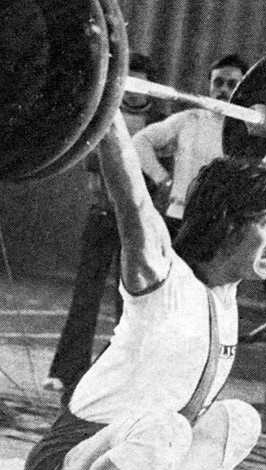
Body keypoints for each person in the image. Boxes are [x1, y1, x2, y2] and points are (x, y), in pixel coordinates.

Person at [21, 103, 266, 470]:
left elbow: (265, 190)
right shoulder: (161, 278)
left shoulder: (224, 292)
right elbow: (131, 197)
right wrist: (107, 106)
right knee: (167, 430)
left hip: (132, 457)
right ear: (228, 224)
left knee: (238, 421)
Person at [43, 53, 165, 401]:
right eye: (130, 83)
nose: (134, 92)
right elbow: (92, 163)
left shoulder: (160, 124)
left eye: (142, 86)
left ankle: (120, 375)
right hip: (101, 216)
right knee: (85, 297)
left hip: (137, 225)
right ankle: (66, 371)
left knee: (130, 301)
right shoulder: (105, 113)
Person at [133, 53, 249, 227]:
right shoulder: (189, 119)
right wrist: (163, 180)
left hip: (220, 223)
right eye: (218, 83)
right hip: (178, 216)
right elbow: (139, 141)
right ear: (210, 85)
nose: (223, 90)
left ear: (242, 89)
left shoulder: (248, 131)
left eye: (232, 84)